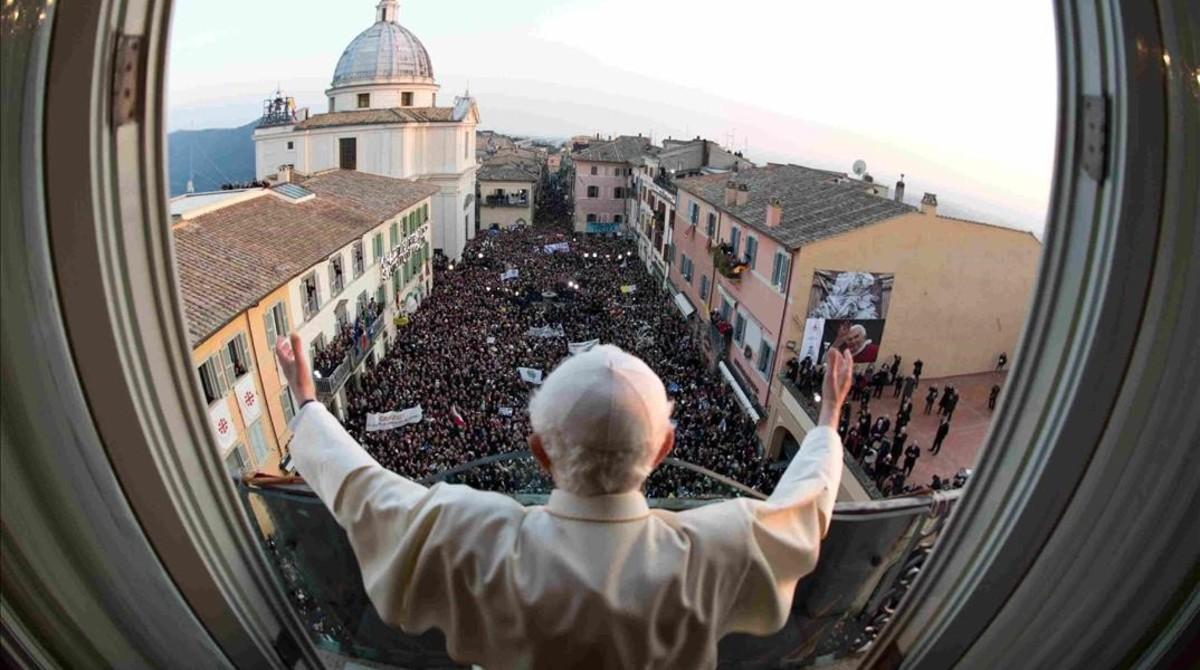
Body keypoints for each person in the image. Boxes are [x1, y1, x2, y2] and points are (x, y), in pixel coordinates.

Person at [276, 335, 855, 669]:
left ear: (539, 454)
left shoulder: (468, 536)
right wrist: (826, 420)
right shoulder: (719, 547)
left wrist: (308, 404)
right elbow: (805, 506)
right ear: (664, 450)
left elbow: (363, 489)